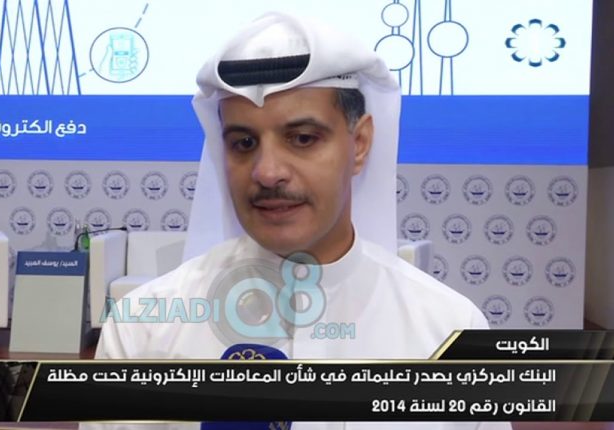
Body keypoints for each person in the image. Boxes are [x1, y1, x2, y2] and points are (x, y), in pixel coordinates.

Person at [90, 11, 508, 430]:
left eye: (303, 138)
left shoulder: (451, 331)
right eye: (244, 143)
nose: (267, 172)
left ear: (360, 144)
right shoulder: (143, 327)